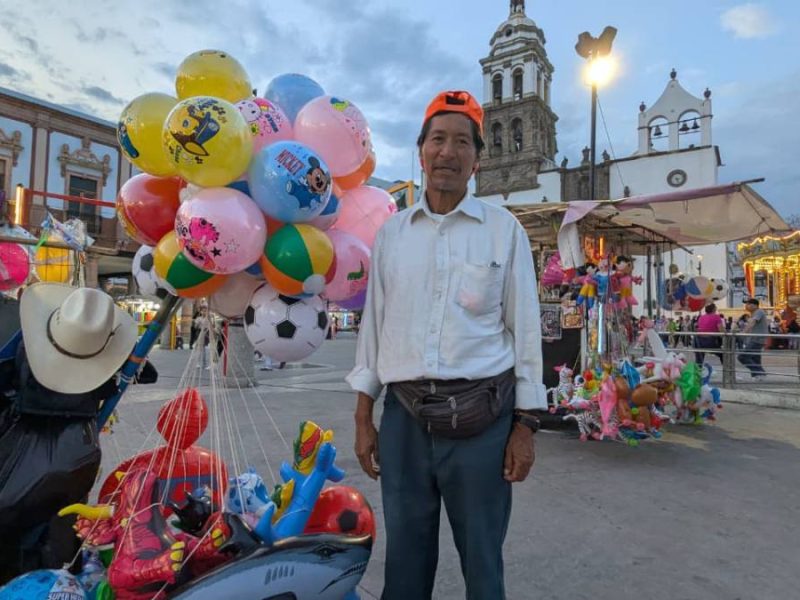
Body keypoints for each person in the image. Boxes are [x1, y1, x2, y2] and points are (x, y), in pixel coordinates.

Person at [347, 90, 545, 600]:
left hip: (483, 422)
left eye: (462, 142)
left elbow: (525, 332)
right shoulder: (392, 235)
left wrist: (525, 426)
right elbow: (376, 327)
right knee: (404, 563)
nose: (448, 152)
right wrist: (364, 416)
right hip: (404, 421)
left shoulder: (504, 232)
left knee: (483, 561)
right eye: (438, 139)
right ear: (421, 152)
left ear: (477, 158)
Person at [0, 284, 138, 583]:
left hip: (24, 446)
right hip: (77, 451)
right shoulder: (105, 357)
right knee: (61, 521)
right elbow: (144, 374)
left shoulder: (18, 344)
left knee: (21, 524)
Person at [738, 298, 768, 380]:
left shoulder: (759, 312)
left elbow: (752, 323)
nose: (746, 306)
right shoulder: (754, 313)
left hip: (757, 339)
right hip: (755, 339)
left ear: (755, 305)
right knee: (755, 358)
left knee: (742, 357)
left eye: (748, 304)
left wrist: (743, 332)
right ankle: (757, 376)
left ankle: (760, 372)